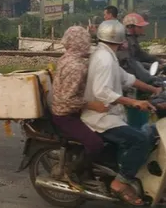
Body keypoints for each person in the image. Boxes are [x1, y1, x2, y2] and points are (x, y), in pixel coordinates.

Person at [81, 20, 161, 206]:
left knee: (146, 133)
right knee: (140, 140)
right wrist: (133, 101)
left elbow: (127, 79)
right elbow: (102, 92)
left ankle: (124, 170)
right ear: (120, 39)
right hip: (100, 117)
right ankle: (121, 181)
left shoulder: (104, 54)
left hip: (110, 113)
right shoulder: (105, 59)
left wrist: (153, 89)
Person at [51, 26, 107, 189]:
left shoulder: (69, 57)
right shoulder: (76, 66)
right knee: (96, 143)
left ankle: (89, 170)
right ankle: (73, 171)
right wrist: (92, 105)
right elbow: (68, 99)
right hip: (65, 114)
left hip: (68, 109)